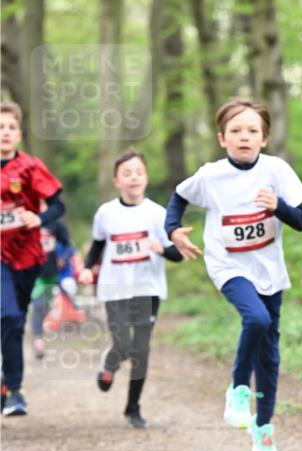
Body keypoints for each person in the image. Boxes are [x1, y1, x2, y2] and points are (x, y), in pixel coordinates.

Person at [165, 97, 302, 451]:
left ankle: (263, 427)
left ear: (264, 139)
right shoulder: (211, 175)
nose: (244, 137)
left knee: (270, 353)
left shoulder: (276, 170)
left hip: (269, 270)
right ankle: (238, 389)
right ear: (221, 138)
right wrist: (173, 231)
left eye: (252, 131)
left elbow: (301, 221)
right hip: (226, 264)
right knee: (256, 319)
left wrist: (278, 206)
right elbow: (179, 196)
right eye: (235, 131)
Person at [78, 148, 182, 429]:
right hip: (115, 289)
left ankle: (133, 407)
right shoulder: (106, 213)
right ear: (117, 181)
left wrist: (161, 248)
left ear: (146, 178)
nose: (133, 177)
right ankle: (110, 364)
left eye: (138, 172)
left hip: (148, 289)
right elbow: (98, 245)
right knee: (123, 343)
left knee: (141, 350)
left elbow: (178, 253)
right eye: (127, 173)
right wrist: (88, 268)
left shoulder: (158, 214)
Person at [1, 101, 64, 416]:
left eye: (10, 127)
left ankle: (4, 382)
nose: (5, 133)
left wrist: (38, 219)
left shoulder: (30, 167)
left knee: (15, 320)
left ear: (20, 134)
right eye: (0, 128)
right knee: (9, 316)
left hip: (27, 257)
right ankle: (15, 391)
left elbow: (57, 207)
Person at [31, 217, 83, 357]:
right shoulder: (26, 221)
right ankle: (38, 339)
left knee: (52, 301)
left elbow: (69, 247)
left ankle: (78, 314)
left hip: (54, 274)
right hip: (36, 275)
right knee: (38, 305)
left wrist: (63, 259)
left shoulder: (56, 224)